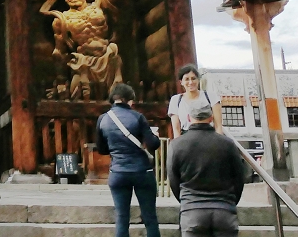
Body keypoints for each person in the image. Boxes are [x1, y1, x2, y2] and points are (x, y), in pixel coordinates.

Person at [169, 104, 247, 237]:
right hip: (224, 209)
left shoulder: (176, 145)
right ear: (211, 118)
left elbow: (173, 179)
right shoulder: (228, 144)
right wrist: (231, 201)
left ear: (188, 118)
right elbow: (239, 177)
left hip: (192, 210)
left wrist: (185, 201)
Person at [96, 83, 161, 237]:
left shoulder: (103, 119)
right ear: (129, 99)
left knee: (122, 218)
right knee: (150, 217)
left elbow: (102, 149)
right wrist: (155, 137)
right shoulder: (138, 117)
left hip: (118, 172)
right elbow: (153, 145)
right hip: (142, 172)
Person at [169, 64, 222, 138]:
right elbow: (176, 129)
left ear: (198, 80)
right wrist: (177, 144)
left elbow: (218, 126)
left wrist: (218, 142)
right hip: (186, 138)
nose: (190, 82)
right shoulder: (176, 100)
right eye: (187, 79)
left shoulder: (211, 97)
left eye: (193, 78)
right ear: (181, 82)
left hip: (208, 136)